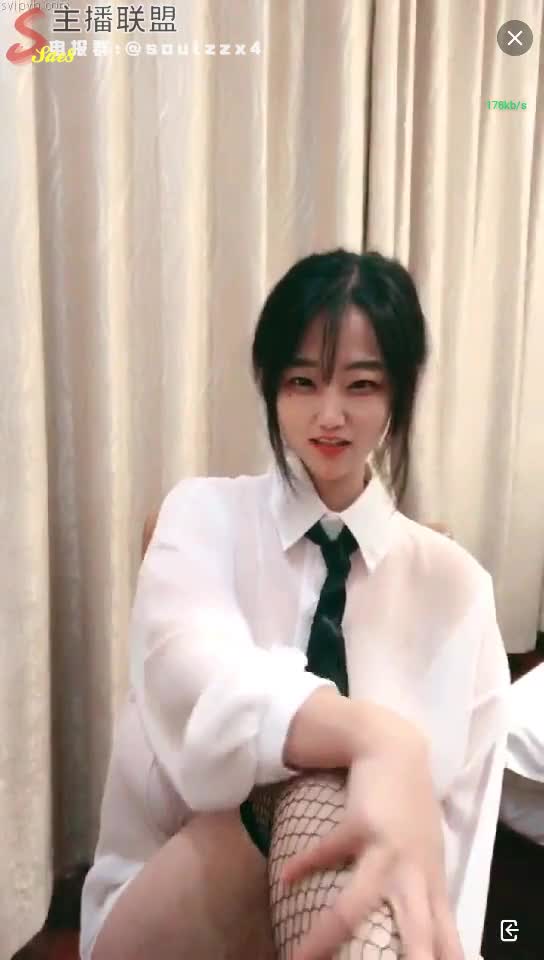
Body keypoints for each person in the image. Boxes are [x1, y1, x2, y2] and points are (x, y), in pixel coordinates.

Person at [80, 248, 510, 960]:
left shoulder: (456, 587)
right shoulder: (201, 518)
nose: (329, 415)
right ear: (271, 386)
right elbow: (202, 681)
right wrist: (378, 738)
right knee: (312, 775)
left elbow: (459, 843)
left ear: (399, 393)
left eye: (362, 385)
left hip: (371, 923)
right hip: (173, 902)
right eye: (302, 382)